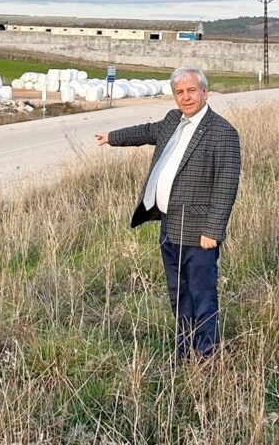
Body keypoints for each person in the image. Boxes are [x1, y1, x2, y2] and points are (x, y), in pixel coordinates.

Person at [95, 66, 241, 360]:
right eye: (180, 92)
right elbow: (145, 132)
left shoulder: (222, 132)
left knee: (202, 295)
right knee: (178, 294)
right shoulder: (173, 120)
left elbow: (226, 185)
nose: (186, 97)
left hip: (200, 232)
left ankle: (206, 357)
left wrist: (213, 231)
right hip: (169, 225)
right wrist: (111, 137)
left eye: (191, 91)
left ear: (204, 92)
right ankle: (184, 350)